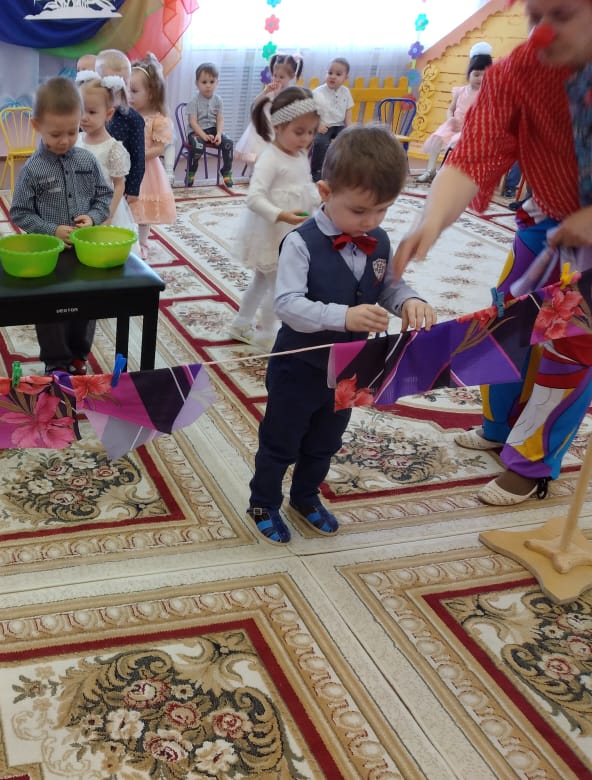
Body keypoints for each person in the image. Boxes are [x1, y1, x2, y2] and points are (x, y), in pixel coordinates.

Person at [393, 0, 592, 506]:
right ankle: (498, 426)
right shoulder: (514, 73)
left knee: (569, 347)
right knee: (505, 321)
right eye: (535, 15)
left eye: (562, 15)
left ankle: (531, 464)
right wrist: (432, 220)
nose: (542, 31)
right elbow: (473, 153)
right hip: (544, 218)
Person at [248, 126, 436, 543]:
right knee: (281, 441)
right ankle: (263, 501)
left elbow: (386, 285)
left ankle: (305, 496)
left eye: (383, 210)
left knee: (326, 440)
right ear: (325, 191)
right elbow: (288, 305)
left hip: (351, 368)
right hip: (299, 366)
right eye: (359, 211)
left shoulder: (378, 239)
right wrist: (344, 317)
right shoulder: (300, 243)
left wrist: (408, 299)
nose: (371, 222)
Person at [9, 77, 113, 375]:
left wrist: (92, 217)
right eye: (55, 134)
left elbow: (104, 196)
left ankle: (79, 355)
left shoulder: (87, 161)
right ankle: (56, 363)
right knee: (51, 308)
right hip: (49, 256)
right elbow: (20, 212)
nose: (65, 140)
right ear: (37, 126)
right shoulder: (33, 169)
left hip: (85, 252)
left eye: (72, 131)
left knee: (86, 303)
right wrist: (51, 230)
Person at [229, 87, 321, 351]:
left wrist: (319, 195)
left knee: (262, 281)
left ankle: (241, 323)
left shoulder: (300, 155)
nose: (306, 139)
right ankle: (267, 334)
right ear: (278, 126)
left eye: (311, 132)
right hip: (271, 234)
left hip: (292, 232)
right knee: (279, 286)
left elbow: (303, 187)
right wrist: (280, 214)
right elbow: (254, 198)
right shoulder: (270, 158)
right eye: (299, 132)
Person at [75, 72, 140, 255]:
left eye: (91, 112)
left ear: (108, 114)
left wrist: (108, 215)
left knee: (103, 251)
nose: (84, 117)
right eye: (80, 110)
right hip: (79, 206)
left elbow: (119, 184)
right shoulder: (76, 140)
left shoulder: (113, 148)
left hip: (105, 208)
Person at [127, 53, 177, 259]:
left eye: (134, 91)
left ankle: (142, 242)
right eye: (127, 90)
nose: (129, 96)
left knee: (143, 209)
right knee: (126, 206)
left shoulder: (158, 119)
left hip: (147, 171)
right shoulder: (126, 115)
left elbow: (159, 148)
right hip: (125, 167)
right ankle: (126, 238)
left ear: (151, 93)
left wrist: (137, 156)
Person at [415, 52, 493, 184]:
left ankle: (447, 174)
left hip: (471, 129)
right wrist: (450, 119)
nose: (480, 79)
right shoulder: (460, 91)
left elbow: (484, 116)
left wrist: (466, 126)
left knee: (456, 142)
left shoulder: (486, 94)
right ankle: (430, 170)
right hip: (454, 124)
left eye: (484, 75)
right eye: (476, 75)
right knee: (437, 138)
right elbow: (451, 109)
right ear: (469, 74)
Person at [234, 54, 304, 180]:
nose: (277, 79)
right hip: (262, 127)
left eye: (281, 77)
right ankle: (256, 173)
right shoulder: (269, 90)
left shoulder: (291, 94)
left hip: (278, 130)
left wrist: (277, 95)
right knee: (257, 152)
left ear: (291, 76)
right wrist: (265, 92)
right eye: (275, 75)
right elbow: (255, 103)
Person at [96, 49, 145, 208]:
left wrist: (133, 189)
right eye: (109, 83)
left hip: (119, 186)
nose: (115, 89)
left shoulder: (133, 119)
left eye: (121, 82)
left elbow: (138, 157)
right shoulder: (89, 114)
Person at [184, 62, 235, 187]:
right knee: (198, 146)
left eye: (212, 82)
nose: (208, 85)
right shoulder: (194, 101)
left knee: (228, 143)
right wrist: (203, 136)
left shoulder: (218, 100)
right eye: (204, 82)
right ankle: (191, 171)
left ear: (217, 82)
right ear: (197, 84)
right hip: (196, 131)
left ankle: (226, 170)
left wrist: (218, 134)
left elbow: (220, 119)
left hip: (213, 130)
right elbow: (193, 122)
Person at [310, 57, 354, 182]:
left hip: (339, 125)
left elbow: (348, 111)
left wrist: (349, 128)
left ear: (345, 77)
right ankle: (316, 173)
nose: (333, 76)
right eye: (330, 73)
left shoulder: (346, 92)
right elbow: (312, 111)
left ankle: (342, 171)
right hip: (324, 125)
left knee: (349, 141)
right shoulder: (318, 92)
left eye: (338, 74)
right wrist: (318, 124)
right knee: (321, 142)